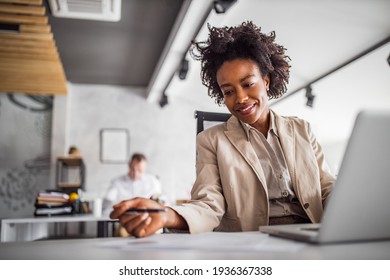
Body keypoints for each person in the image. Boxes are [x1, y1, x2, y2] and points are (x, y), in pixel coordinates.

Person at [110, 21, 336, 238]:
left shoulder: (301, 129)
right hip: (253, 244)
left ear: (266, 81)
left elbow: (326, 189)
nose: (240, 98)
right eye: (228, 91)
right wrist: (167, 215)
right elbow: (209, 205)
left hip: (313, 237)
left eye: (248, 84)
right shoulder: (211, 141)